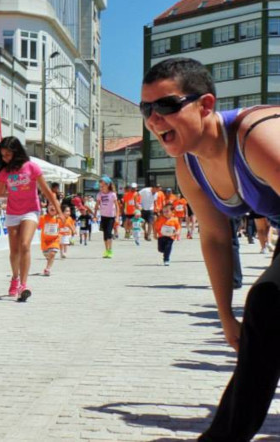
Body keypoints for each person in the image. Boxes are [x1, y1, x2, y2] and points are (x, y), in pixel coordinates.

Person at [141, 57, 280, 441]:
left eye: (166, 106)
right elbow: (216, 238)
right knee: (266, 311)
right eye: (146, 109)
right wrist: (225, 316)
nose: (154, 119)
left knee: (268, 304)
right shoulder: (189, 164)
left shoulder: (257, 138)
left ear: (205, 106)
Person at [0, 137, 63, 302]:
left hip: (30, 211)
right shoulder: (4, 172)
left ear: (17, 152)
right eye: (3, 155)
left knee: (24, 245)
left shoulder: (32, 167)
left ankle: (24, 285)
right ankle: (15, 278)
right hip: (12, 212)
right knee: (14, 251)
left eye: (8, 154)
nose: (5, 158)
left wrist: (59, 211)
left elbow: (46, 191)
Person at [96, 176, 120, 258]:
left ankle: (110, 250)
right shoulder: (99, 194)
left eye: (102, 186)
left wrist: (117, 217)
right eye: (100, 186)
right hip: (103, 216)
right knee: (105, 234)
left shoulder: (112, 194)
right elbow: (97, 205)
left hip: (111, 216)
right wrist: (95, 215)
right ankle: (106, 250)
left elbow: (117, 206)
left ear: (108, 185)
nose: (101, 187)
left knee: (109, 233)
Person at [38, 204, 63, 276]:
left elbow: (65, 224)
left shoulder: (59, 219)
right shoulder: (43, 218)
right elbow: (36, 226)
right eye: (51, 205)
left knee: (52, 253)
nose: (53, 207)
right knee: (48, 255)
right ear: (47, 208)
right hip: (45, 242)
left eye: (54, 205)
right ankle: (49, 262)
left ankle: (47, 269)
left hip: (55, 240)